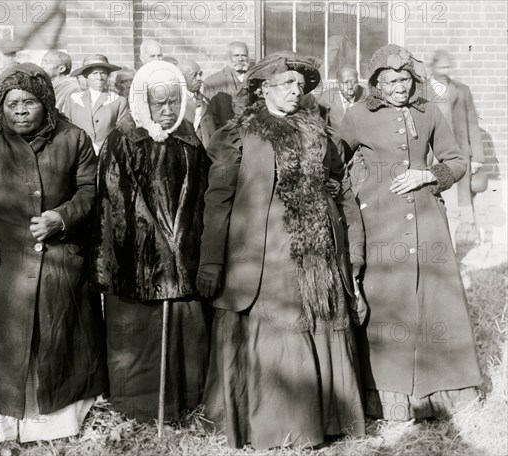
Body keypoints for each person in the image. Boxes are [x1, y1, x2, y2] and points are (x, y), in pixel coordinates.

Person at [197, 51, 366, 450]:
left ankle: (324, 418)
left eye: (300, 85)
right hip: (261, 256)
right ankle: (273, 425)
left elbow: (341, 188)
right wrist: (212, 260)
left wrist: (353, 248)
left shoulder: (319, 131)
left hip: (318, 251)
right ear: (262, 89)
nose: (296, 91)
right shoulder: (239, 133)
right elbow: (217, 200)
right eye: (286, 84)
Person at [0, 63, 106, 444]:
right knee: (7, 338)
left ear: (47, 103)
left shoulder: (74, 138)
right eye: (12, 103)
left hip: (60, 258)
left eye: (30, 102)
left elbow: (91, 191)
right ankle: (2, 421)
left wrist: (62, 217)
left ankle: (55, 420)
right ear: (0, 106)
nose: (20, 110)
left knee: (55, 336)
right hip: (3, 261)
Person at [339, 44, 482, 421]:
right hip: (380, 222)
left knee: (435, 299)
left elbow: (457, 160)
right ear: (376, 84)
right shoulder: (355, 116)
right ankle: (389, 396)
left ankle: (443, 391)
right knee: (387, 301)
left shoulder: (430, 111)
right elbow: (332, 161)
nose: (400, 88)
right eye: (390, 81)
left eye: (405, 80)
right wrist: (358, 196)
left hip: (427, 220)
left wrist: (428, 174)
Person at [91, 61, 210, 423]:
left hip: (184, 257)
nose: (169, 110)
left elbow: (202, 195)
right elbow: (114, 198)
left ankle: (185, 403)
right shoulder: (123, 139)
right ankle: (138, 407)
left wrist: (183, 240)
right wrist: (156, 238)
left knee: (186, 332)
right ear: (144, 102)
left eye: (174, 102)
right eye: (160, 104)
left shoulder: (189, 137)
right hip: (138, 261)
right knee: (139, 334)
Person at [425, 49, 485, 246]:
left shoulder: (461, 90)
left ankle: (464, 242)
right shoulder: (421, 90)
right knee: (430, 196)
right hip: (430, 154)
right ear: (432, 67)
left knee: (460, 201)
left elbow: (472, 123)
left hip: (457, 152)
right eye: (442, 66)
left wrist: (476, 157)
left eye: (448, 66)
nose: (446, 70)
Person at [63, 54, 127, 154]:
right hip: (79, 154)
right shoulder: (73, 99)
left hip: (107, 155)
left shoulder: (118, 100)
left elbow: (122, 133)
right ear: (86, 76)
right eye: (95, 73)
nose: (99, 77)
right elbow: (66, 129)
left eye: (103, 73)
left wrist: (104, 147)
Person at [315, 64, 368, 161]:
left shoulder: (367, 97)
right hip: (335, 151)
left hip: (362, 151)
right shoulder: (326, 99)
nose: (350, 87)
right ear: (337, 83)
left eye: (354, 82)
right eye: (345, 83)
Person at [203, 41, 250, 129]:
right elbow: (209, 117)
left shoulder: (256, 79)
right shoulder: (212, 82)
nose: (240, 59)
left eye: (244, 55)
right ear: (228, 57)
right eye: (236, 56)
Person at [178, 59, 215, 147]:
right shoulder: (176, 103)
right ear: (181, 78)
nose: (199, 79)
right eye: (194, 75)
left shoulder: (206, 101)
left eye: (200, 74)